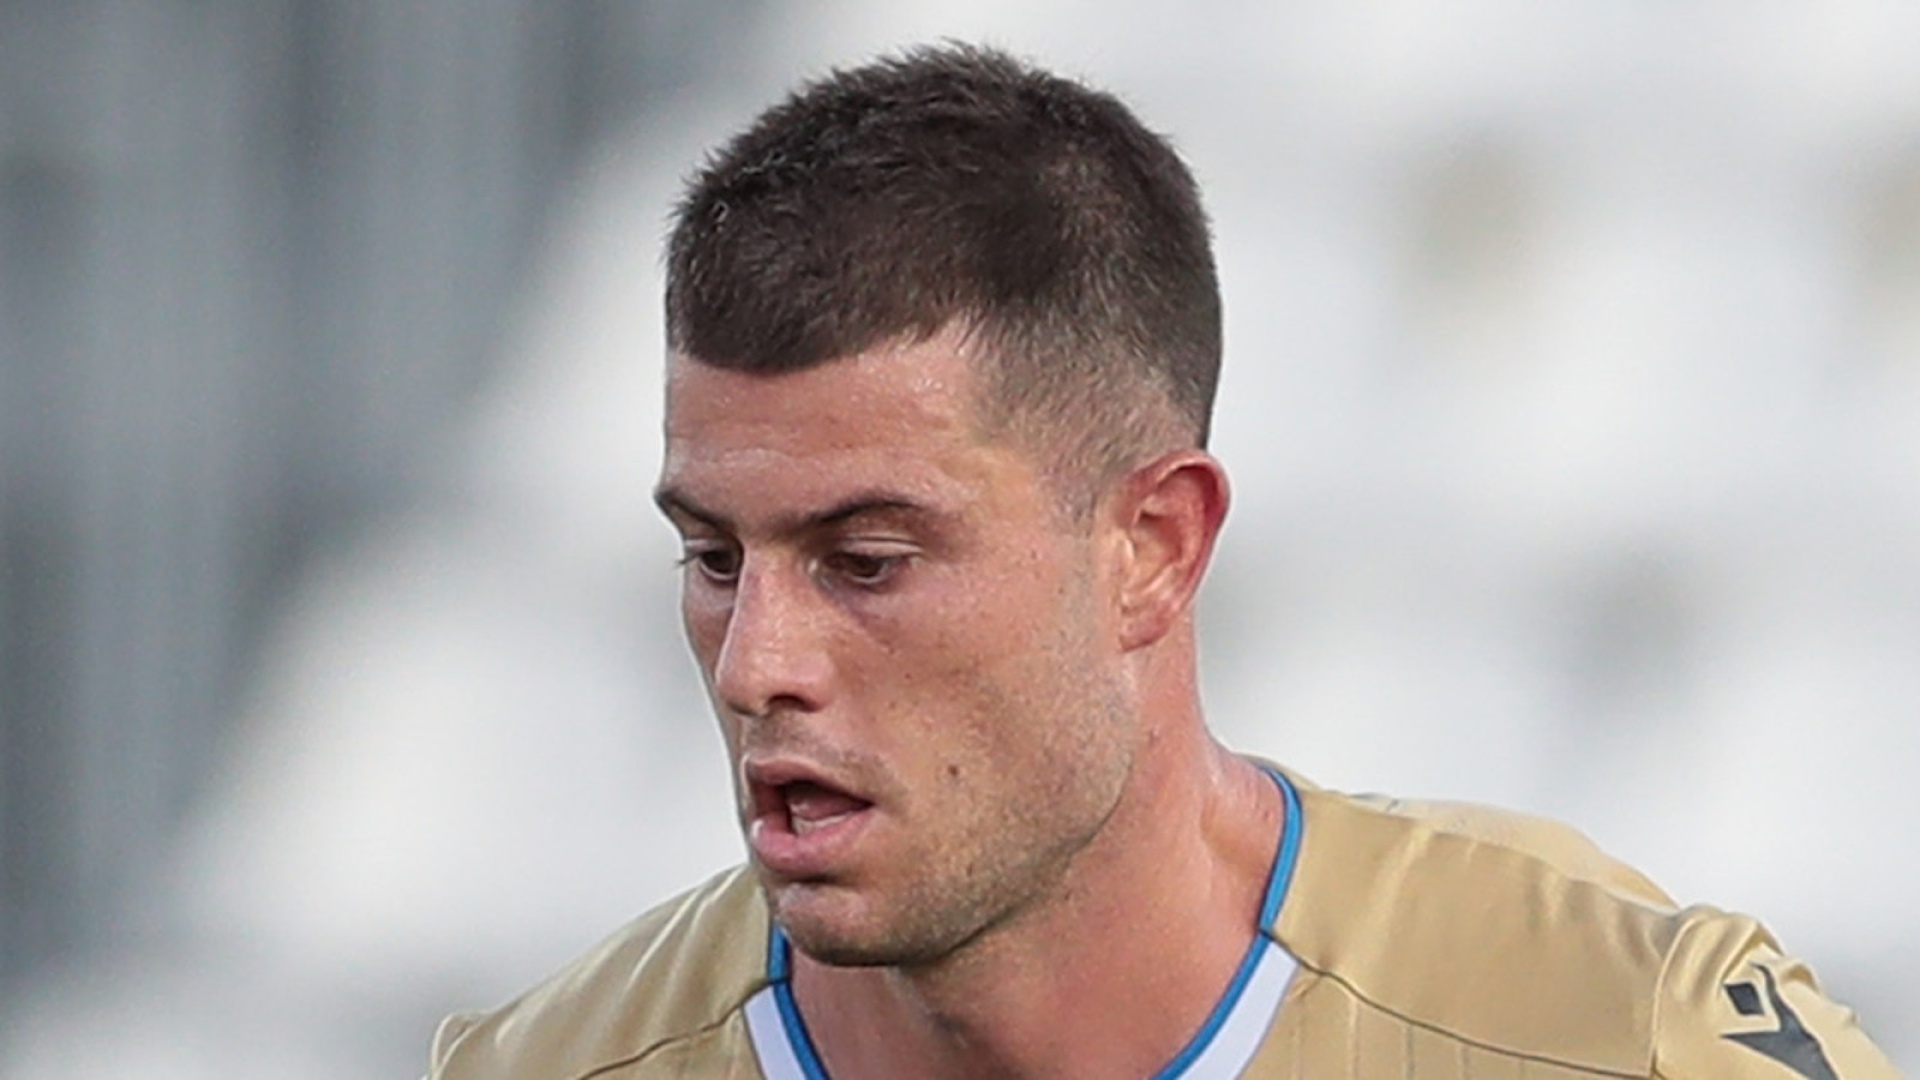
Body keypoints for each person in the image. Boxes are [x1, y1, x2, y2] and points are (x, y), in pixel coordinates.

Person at [425, 44, 1897, 1079]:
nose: (759, 665)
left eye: (865, 561)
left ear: (1152, 548)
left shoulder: (1617, 1037)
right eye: (712, 557)